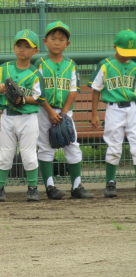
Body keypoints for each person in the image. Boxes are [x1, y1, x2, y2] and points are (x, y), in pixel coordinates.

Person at [35, 21, 93, 200]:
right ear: (45, 41)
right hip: (44, 110)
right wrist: (50, 112)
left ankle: (76, 186)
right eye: (53, 38)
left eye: (61, 39)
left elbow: (73, 90)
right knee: (45, 147)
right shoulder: (40, 63)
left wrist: (64, 113)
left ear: (67, 43)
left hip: (65, 112)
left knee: (72, 146)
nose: (57, 42)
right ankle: (50, 187)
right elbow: (37, 91)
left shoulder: (71, 65)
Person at [0, 30, 46, 202]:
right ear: (14, 47)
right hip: (7, 116)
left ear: (35, 51)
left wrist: (23, 99)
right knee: (5, 153)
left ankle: (33, 188)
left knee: (28, 154)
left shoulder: (35, 74)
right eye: (19, 45)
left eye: (27, 47)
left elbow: (40, 98)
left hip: (28, 118)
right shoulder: (5, 68)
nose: (22, 49)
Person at [89, 29, 136, 198]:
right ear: (114, 46)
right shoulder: (106, 64)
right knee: (114, 146)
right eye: (124, 51)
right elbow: (96, 89)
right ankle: (110, 182)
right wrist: (94, 114)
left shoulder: (134, 65)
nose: (127, 56)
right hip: (114, 109)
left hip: (133, 107)